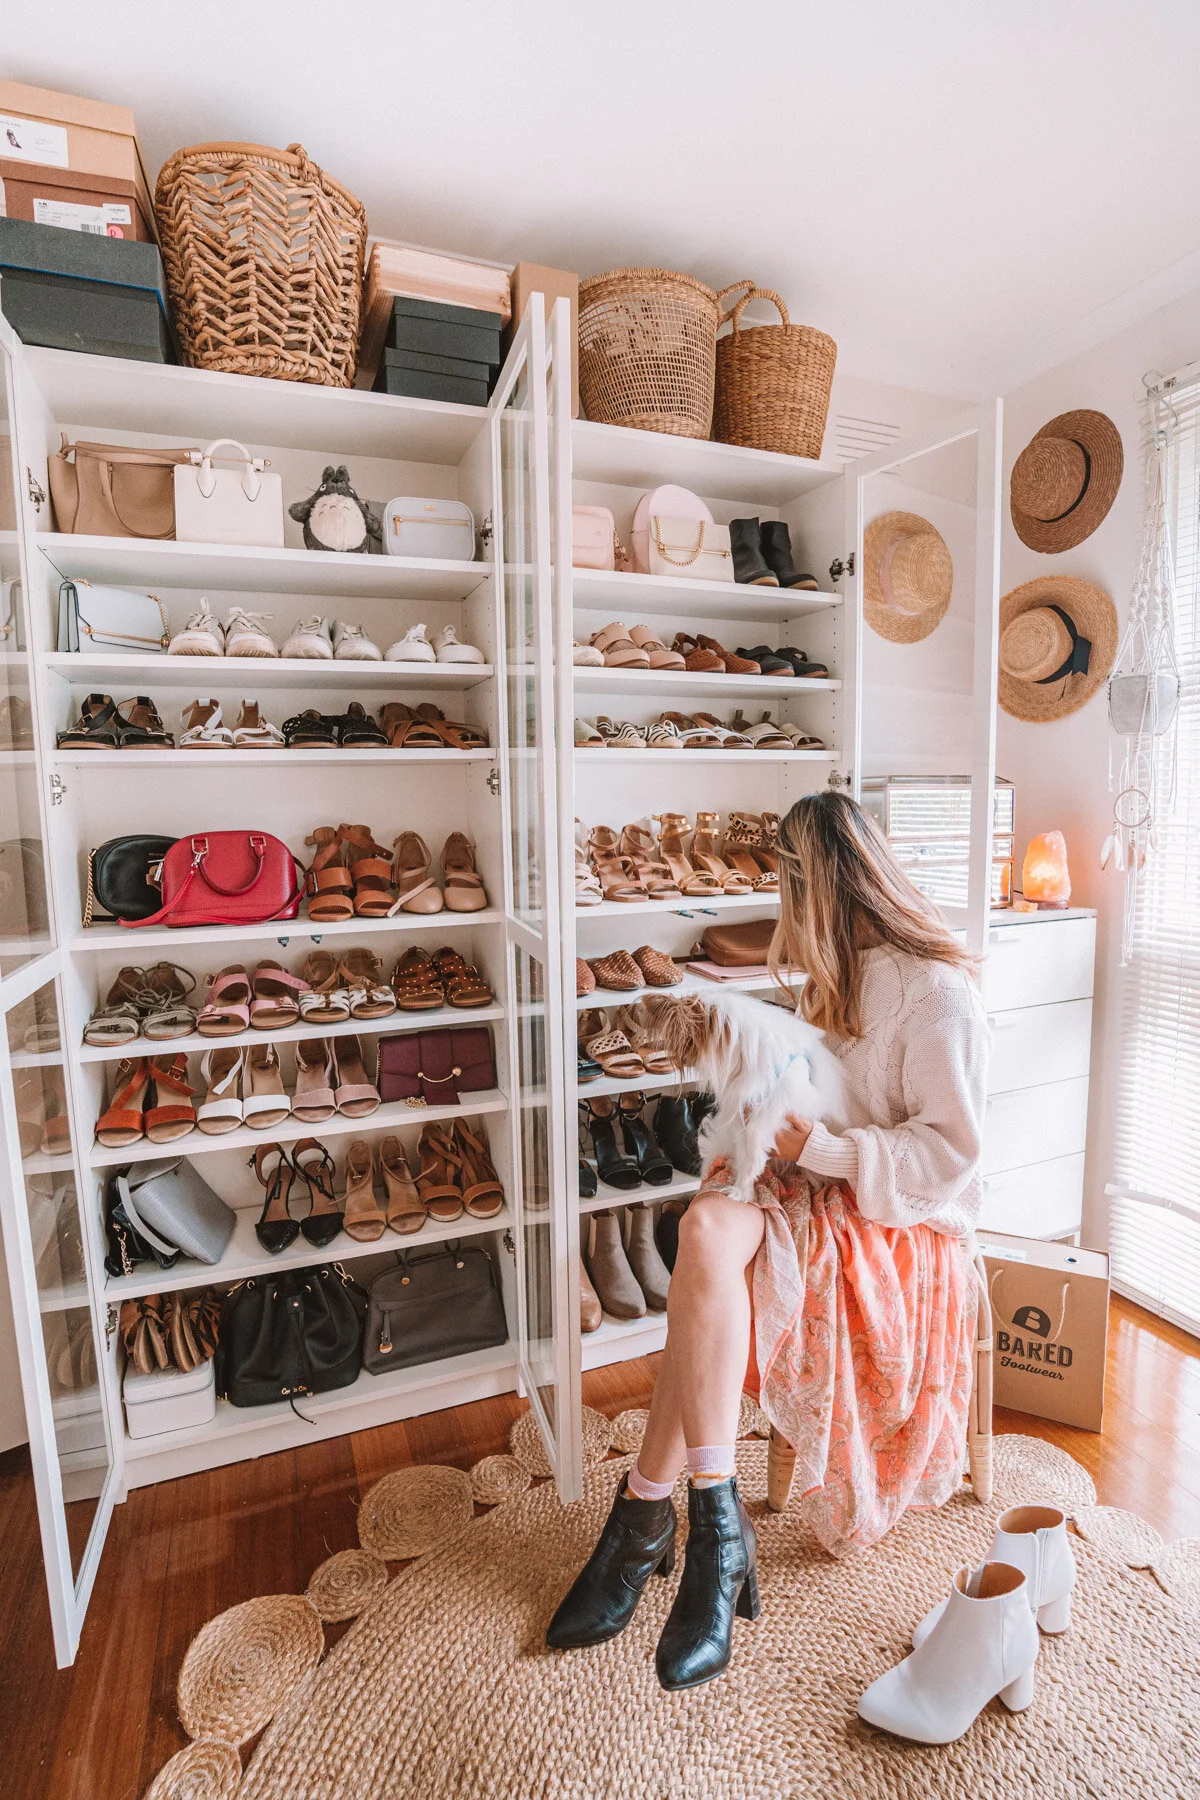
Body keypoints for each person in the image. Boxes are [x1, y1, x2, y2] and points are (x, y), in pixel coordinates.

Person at [547, 791, 989, 1690]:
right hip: (825, 1182)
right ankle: (707, 1520)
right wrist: (765, 1111)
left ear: (821, 884)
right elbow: (827, 1089)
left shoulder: (936, 993)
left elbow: (952, 1161)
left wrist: (816, 1146)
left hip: (903, 1221)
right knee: (705, 1226)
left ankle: (645, 1527)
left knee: (707, 1249)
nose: (781, 908)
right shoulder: (847, 968)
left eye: (788, 885)